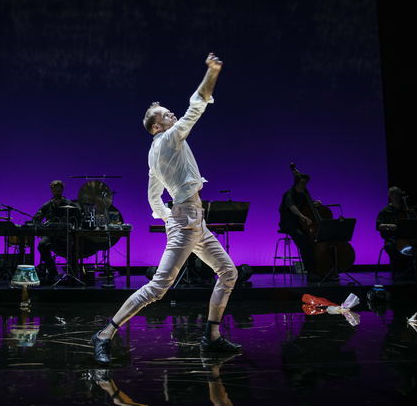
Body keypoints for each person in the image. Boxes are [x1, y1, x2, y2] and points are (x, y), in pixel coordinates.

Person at [90, 53, 241, 366]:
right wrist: (212, 72)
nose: (173, 114)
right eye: (166, 114)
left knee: (228, 272)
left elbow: (153, 197)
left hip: (192, 221)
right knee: (158, 288)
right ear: (157, 125)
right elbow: (197, 105)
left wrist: (166, 216)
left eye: (170, 112)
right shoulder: (170, 138)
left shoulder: (153, 154)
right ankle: (104, 334)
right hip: (187, 222)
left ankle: (211, 336)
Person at [278, 173, 325, 282]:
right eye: (302, 183)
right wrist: (302, 216)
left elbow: (310, 206)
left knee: (312, 241)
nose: (304, 185)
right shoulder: (289, 194)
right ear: (296, 183)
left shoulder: (303, 195)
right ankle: (310, 272)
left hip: (300, 224)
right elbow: (292, 207)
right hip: (289, 224)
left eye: (305, 183)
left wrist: (316, 203)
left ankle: (320, 269)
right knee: (304, 241)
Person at [32, 180, 81, 283]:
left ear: (62, 190)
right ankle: (52, 271)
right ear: (51, 191)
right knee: (42, 245)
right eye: (54, 191)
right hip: (51, 235)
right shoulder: (47, 205)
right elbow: (36, 219)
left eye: (58, 190)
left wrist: (74, 227)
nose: (56, 193)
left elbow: (79, 218)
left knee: (73, 246)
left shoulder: (69, 204)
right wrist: (40, 227)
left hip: (65, 235)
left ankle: (72, 273)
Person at [376, 186, 412, 273]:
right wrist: (388, 225)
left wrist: (414, 214)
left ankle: (414, 271)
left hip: (407, 237)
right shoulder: (385, 211)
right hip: (392, 238)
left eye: (397, 194)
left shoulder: (405, 209)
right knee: (390, 247)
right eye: (392, 194)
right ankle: (400, 271)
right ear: (389, 196)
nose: (395, 196)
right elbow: (378, 226)